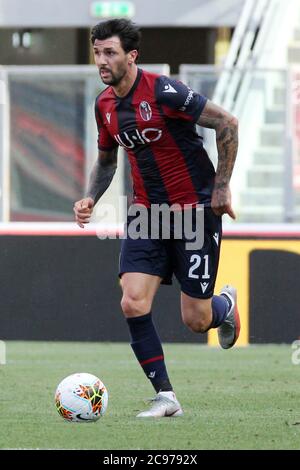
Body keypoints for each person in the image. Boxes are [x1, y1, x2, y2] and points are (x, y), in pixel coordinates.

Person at [74, 19, 240, 418]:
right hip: (147, 214)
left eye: (110, 52)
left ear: (132, 56)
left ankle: (225, 307)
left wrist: (221, 186)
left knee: (196, 320)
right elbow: (107, 160)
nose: (102, 60)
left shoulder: (164, 91)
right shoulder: (105, 105)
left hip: (194, 213)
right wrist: (90, 197)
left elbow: (226, 122)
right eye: (97, 52)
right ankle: (166, 396)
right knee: (132, 302)